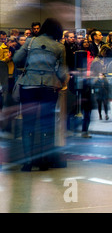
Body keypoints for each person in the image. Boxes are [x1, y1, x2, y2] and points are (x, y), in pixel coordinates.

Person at [13, 18, 69, 171]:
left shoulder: (30, 42)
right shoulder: (59, 46)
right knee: (47, 125)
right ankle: (44, 162)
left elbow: (16, 59)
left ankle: (27, 163)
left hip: (29, 86)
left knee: (28, 125)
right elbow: (62, 72)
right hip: (48, 87)